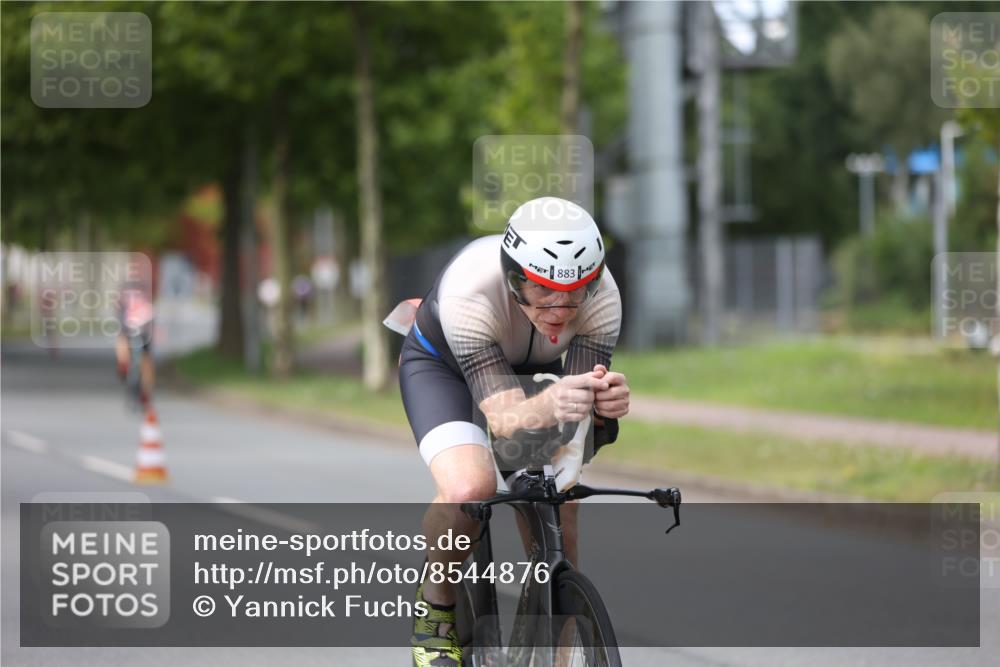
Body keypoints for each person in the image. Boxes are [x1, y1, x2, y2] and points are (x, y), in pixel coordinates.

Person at [397, 197, 630, 667]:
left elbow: (575, 421)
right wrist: (555, 401)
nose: (561, 310)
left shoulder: (603, 298)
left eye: (576, 292)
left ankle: (560, 649)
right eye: (544, 291)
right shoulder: (471, 291)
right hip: (445, 368)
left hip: (532, 372)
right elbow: (504, 420)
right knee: (471, 486)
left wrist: (604, 408)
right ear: (513, 276)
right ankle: (435, 609)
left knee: (559, 500)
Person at [115, 281, 156, 406]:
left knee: (146, 363)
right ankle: (124, 366)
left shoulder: (144, 306)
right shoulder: (125, 305)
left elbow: (151, 322)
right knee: (123, 343)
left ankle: (146, 392)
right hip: (131, 332)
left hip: (141, 334)